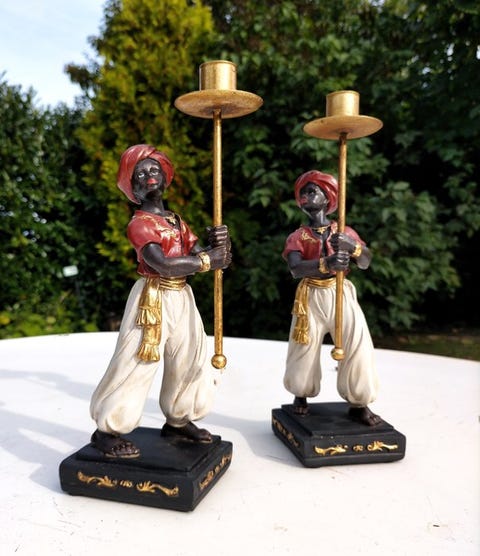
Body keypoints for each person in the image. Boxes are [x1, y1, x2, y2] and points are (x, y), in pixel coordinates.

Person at [90, 144, 232, 457]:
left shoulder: (176, 221)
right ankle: (108, 428)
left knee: (189, 358)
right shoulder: (140, 224)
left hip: (182, 296)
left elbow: (202, 256)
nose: (149, 176)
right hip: (152, 299)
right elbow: (163, 264)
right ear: (132, 186)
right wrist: (208, 260)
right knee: (137, 362)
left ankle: (179, 418)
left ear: (166, 177)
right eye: (140, 174)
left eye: (154, 169)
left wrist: (219, 246)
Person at [282, 170, 381, 426]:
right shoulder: (298, 237)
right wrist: (326, 263)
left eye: (312, 191)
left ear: (328, 198)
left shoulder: (343, 231)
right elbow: (296, 268)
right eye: (302, 193)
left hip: (340, 293)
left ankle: (359, 401)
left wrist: (352, 247)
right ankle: (301, 393)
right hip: (311, 295)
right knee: (303, 347)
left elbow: (366, 261)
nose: (305, 196)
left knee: (357, 344)